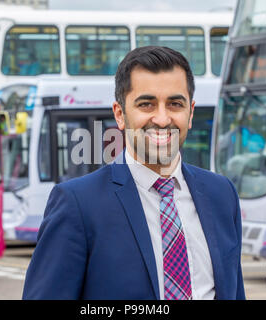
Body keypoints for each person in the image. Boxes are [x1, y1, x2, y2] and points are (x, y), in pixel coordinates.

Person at [22, 46, 245, 300]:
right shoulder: (77, 204)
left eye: (174, 104)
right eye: (146, 104)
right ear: (120, 114)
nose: (162, 119)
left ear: (190, 112)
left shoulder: (222, 195)